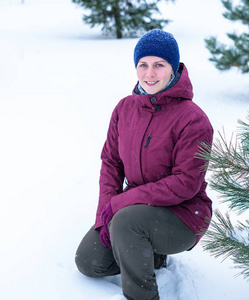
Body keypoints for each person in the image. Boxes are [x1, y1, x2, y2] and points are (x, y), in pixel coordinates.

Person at [75, 29, 214, 300]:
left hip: (184, 214)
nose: (150, 74)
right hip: (137, 210)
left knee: (127, 222)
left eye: (159, 65)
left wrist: (120, 205)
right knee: (88, 260)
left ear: (173, 68)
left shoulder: (193, 120)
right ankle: (149, 255)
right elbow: (111, 164)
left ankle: (143, 296)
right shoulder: (125, 109)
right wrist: (104, 215)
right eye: (143, 65)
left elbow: (186, 183)